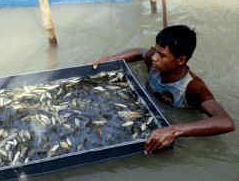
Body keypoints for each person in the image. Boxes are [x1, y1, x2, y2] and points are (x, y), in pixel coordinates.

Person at [92, 25, 235, 154]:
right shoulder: (154, 64)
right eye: (155, 51)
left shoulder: (193, 88)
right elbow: (138, 52)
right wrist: (108, 60)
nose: (153, 57)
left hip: (178, 115)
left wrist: (174, 129)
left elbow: (225, 121)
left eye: (161, 55)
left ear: (180, 60)